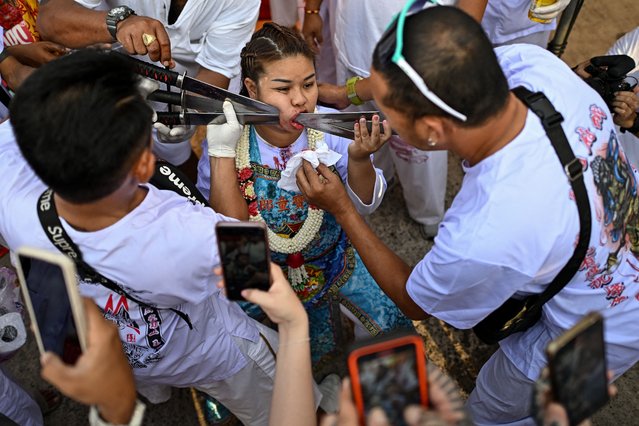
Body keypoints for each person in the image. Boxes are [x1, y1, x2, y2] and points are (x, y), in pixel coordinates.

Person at [296, 4, 639, 425]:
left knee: (499, 409)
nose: (380, 119)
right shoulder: (534, 66)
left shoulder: (485, 230)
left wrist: (344, 209)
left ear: (432, 132)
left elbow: (413, 299)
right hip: (610, 246)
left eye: (390, 113)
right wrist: (346, 93)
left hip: (601, 336)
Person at [0, 48, 287, 426]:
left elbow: (23, 120)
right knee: (277, 398)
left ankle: (156, 391)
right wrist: (219, 151)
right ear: (145, 163)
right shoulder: (183, 232)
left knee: (151, 376)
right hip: (211, 351)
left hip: (130, 352)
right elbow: (252, 275)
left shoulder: (12, 199)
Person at [197, 23, 412, 380]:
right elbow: (231, 238)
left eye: (309, 84)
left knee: (393, 328)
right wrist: (220, 152)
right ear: (251, 89)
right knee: (248, 347)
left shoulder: (331, 128)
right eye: (283, 88)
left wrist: (358, 160)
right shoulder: (228, 143)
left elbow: (367, 205)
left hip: (335, 257)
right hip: (263, 270)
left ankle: (388, 402)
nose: (301, 99)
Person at [303, 0, 488, 238]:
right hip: (353, 47)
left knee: (417, 155)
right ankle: (377, 183)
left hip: (418, 72)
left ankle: (428, 216)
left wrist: (348, 92)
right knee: (365, 140)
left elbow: (460, 37)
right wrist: (312, 9)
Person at [36, 0, 260, 171]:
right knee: (96, 165)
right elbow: (50, 19)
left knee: (174, 160)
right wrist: (118, 22)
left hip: (180, 87)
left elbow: (216, 69)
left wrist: (184, 110)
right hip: (100, 78)